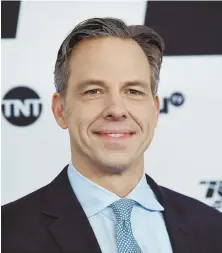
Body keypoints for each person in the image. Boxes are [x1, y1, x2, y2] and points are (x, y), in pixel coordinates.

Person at [2, 17, 222, 253]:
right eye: (93, 91)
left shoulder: (212, 228)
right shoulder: (8, 233)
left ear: (155, 110)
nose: (116, 110)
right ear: (60, 110)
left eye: (133, 91)